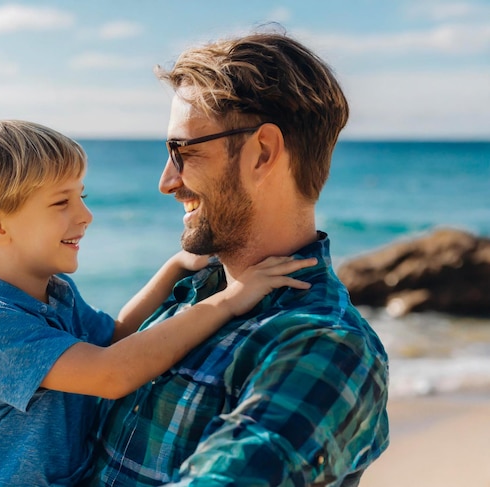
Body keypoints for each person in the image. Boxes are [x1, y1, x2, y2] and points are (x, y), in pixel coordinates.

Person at [0, 119, 315, 486]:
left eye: (82, 196)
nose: (86, 215)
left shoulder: (56, 292)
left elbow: (114, 338)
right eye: (61, 203)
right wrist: (229, 301)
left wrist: (175, 267)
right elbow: (111, 374)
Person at [84, 30, 390, 487]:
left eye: (183, 150)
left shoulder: (326, 345)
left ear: (262, 153)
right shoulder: (190, 294)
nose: (166, 182)